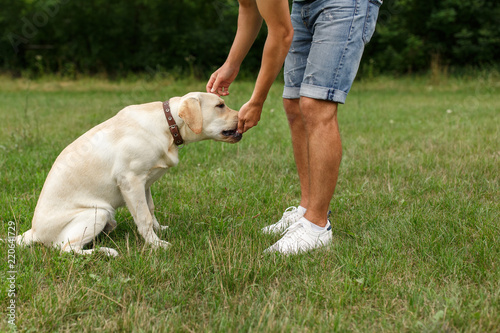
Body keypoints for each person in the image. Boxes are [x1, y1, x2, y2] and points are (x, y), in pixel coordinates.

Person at [207, 0, 382, 254]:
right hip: (304, 5)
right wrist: (231, 64)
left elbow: (281, 34)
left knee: (315, 103)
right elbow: (248, 8)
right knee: (293, 103)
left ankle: (316, 226)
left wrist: (257, 100)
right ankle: (306, 208)